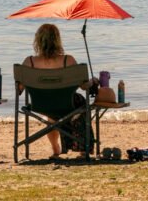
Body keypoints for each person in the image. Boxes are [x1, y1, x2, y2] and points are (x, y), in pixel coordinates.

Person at [20, 23, 95, 157]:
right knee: (80, 102)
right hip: (67, 104)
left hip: (40, 105)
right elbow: (84, 86)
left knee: (52, 115)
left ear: (38, 40)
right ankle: (84, 148)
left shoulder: (29, 62)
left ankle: (56, 148)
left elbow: (19, 89)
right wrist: (93, 81)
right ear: (57, 40)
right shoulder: (68, 60)